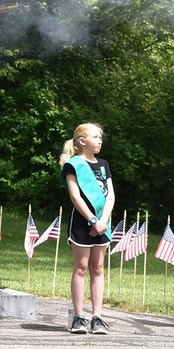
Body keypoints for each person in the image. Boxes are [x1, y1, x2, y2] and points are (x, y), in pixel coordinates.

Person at [60, 122, 115, 335]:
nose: (100, 140)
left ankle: (97, 317)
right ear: (82, 141)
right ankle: (78, 317)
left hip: (103, 222)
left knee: (98, 268)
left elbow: (110, 195)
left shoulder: (103, 164)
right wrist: (93, 221)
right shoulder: (73, 165)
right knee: (81, 267)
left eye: (100, 137)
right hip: (83, 223)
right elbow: (75, 196)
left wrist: (103, 220)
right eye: (95, 137)